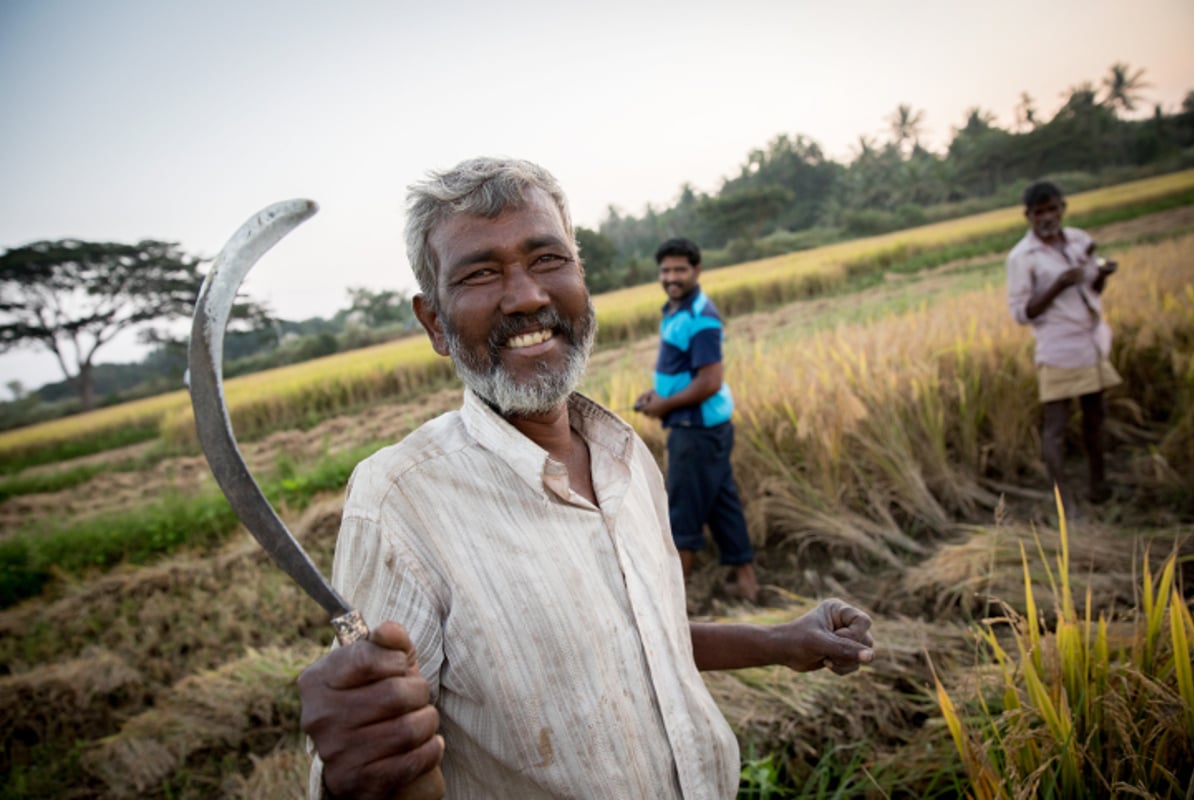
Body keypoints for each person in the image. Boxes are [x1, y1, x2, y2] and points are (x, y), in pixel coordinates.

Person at [298, 157, 875, 800]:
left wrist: (780, 641)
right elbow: (384, 751)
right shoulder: (402, 505)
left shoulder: (626, 456)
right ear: (434, 321)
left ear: (581, 277)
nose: (526, 296)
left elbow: (640, 637)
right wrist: (359, 774)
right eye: (481, 272)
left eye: (549, 259)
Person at [634, 238, 760, 602]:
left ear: (697, 270)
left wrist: (665, 406)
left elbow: (710, 381)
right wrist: (655, 397)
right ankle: (747, 584)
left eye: (680, 270)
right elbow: (682, 372)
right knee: (723, 505)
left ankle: (676, 602)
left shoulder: (701, 317)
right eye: (666, 270)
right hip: (700, 426)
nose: (671, 277)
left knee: (683, 512)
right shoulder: (675, 311)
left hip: (696, 430)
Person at [1006, 180, 1120, 507]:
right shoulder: (1021, 257)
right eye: (1039, 212)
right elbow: (1021, 313)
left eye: (1052, 209)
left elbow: (1091, 291)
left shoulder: (1079, 241)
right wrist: (1058, 284)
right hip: (1058, 348)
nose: (1047, 217)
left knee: (1096, 414)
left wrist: (1102, 274)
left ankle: (1099, 486)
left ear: (1063, 208)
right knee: (1055, 425)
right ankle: (1064, 503)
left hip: (1092, 342)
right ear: (1027, 216)